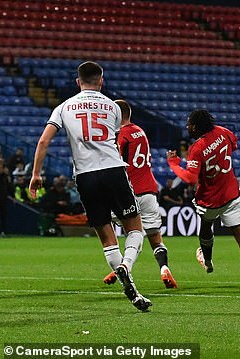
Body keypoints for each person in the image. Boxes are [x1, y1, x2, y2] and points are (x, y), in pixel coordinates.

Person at [28, 61, 151, 311]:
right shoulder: (113, 107)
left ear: (77, 82)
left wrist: (36, 174)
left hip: (85, 176)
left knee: (107, 236)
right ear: (101, 81)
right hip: (113, 170)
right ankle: (126, 266)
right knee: (135, 227)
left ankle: (132, 289)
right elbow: (112, 140)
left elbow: (43, 142)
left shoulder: (63, 107)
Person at [167, 109, 240, 291]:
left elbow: (191, 179)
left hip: (209, 199)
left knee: (205, 227)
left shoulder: (197, 148)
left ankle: (208, 261)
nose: (187, 127)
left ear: (196, 126)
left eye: (189, 124)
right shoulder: (223, 131)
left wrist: (174, 164)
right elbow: (234, 144)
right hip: (232, 194)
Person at [100, 100, 178, 289]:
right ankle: (164, 268)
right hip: (149, 190)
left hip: (129, 191)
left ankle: (123, 265)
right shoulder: (140, 131)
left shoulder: (121, 136)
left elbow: (115, 161)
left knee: (109, 226)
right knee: (154, 236)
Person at [0, 157, 10, 236]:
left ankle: (3, 231)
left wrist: (12, 196)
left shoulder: (5, 176)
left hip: (3, 198)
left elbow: (8, 187)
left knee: (3, 215)